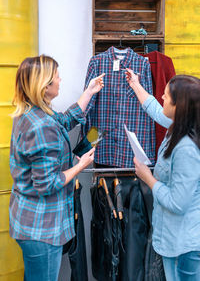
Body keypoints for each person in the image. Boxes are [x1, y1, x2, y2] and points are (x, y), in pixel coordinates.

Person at [9, 55, 105, 281]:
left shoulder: (31, 114)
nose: (61, 79)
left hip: (28, 220)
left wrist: (89, 91)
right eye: (56, 76)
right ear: (44, 86)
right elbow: (47, 184)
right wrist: (81, 165)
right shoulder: (42, 126)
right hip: (41, 228)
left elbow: (64, 121)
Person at [125, 69, 200, 281]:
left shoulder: (186, 148)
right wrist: (136, 85)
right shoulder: (179, 127)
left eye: (167, 95)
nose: (162, 97)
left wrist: (148, 178)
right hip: (173, 240)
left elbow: (178, 203)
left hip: (186, 247)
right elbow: (157, 112)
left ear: (180, 106)